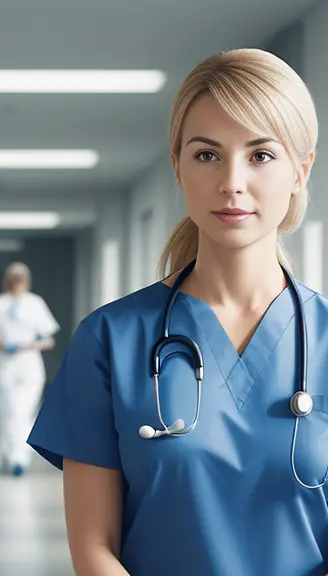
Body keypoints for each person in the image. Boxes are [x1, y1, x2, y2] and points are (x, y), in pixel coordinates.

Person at [27, 48, 328, 576]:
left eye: (261, 155)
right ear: (178, 167)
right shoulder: (110, 339)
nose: (232, 181)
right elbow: (94, 546)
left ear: (300, 171)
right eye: (207, 154)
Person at [0, 262, 59, 476]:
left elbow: (49, 340)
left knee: (21, 411)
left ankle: (19, 458)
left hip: (29, 364)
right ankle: (9, 454)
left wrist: (29, 344)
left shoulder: (35, 303)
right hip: (3, 366)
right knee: (8, 412)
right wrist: (1, 344)